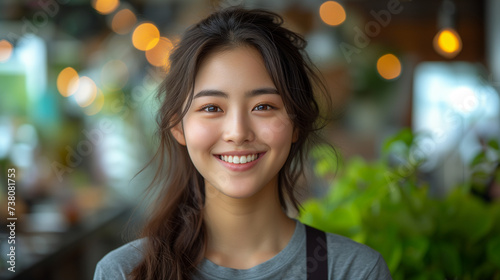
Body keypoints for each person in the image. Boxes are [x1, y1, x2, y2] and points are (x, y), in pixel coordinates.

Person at [94, 6, 392, 280]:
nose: (238, 132)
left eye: (263, 106)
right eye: (212, 108)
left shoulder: (355, 271)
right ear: (177, 125)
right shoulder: (124, 272)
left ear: (297, 123)